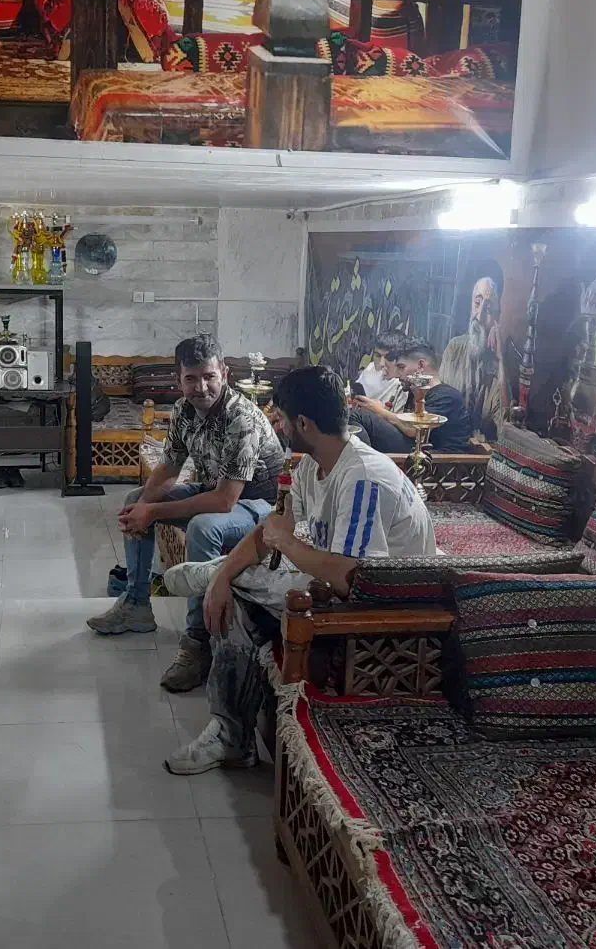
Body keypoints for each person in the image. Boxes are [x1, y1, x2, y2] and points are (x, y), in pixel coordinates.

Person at [160, 365, 436, 774]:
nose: (279, 427)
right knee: (235, 594)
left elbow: (350, 578)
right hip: (339, 579)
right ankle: (230, 733)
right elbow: (271, 528)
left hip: (383, 603)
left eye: (282, 420)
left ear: (303, 423)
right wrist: (224, 578)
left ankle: (230, 736)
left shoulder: (362, 477)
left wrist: (282, 546)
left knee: (245, 592)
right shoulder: (314, 465)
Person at [87, 335, 285, 695]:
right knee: (135, 498)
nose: (201, 387)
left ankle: (198, 642)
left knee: (203, 527)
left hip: (260, 506)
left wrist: (153, 511)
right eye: (191, 379)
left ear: (224, 373)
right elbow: (169, 467)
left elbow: (225, 501)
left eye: (209, 377)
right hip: (216, 490)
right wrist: (143, 508)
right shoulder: (183, 410)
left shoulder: (241, 418)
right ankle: (136, 603)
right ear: (178, 379)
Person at [349, 337, 475, 454]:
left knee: (357, 417)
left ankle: (364, 464)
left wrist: (380, 412)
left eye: (401, 367)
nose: (397, 374)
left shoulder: (447, 396)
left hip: (438, 461)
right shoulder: (413, 393)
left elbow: (415, 430)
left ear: (420, 365)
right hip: (417, 450)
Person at [439, 270, 510, 439]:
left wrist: (500, 360)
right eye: (477, 303)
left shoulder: (496, 363)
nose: (479, 315)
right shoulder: (455, 348)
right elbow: (441, 405)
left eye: (489, 308)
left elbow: (505, 425)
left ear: (497, 316)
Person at [354, 330, 405, 405]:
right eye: (377, 355)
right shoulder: (370, 368)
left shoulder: (403, 383)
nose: (381, 363)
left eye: (389, 357)